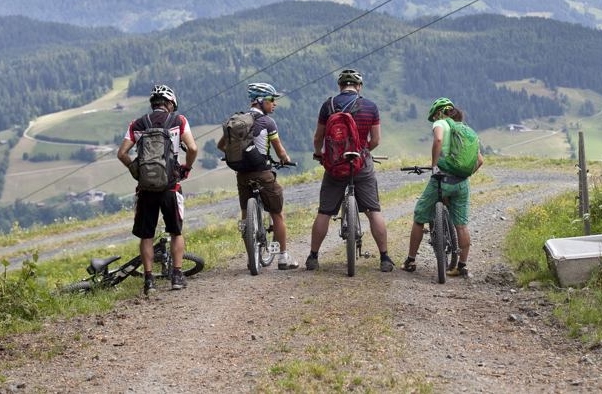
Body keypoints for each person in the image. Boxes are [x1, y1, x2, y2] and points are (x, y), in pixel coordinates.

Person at [306, 68, 394, 272]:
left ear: (340, 86)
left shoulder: (328, 106)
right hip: (360, 163)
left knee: (325, 212)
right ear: (359, 87)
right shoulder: (370, 107)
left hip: (335, 165)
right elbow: (376, 140)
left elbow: (318, 138)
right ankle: (384, 258)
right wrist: (363, 151)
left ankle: (313, 256)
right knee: (374, 211)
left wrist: (320, 154)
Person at [117, 84, 198, 294]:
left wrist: (137, 171)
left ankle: (149, 280)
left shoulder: (137, 124)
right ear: (170, 104)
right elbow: (193, 148)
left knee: (147, 235)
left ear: (153, 104)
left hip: (145, 189)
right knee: (176, 231)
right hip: (171, 186)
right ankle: (177, 276)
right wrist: (185, 168)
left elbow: (122, 153)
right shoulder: (179, 121)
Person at [217, 82, 299, 270]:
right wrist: (286, 160)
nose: (274, 104)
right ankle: (283, 257)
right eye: (271, 100)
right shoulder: (268, 122)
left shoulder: (236, 121)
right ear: (260, 101)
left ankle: (250, 257)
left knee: (246, 218)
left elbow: (221, 146)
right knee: (277, 213)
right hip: (263, 174)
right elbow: (280, 151)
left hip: (243, 175)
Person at [402, 97, 484, 278]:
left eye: (434, 116)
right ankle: (462, 266)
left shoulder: (441, 123)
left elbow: (438, 140)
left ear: (439, 112)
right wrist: (463, 176)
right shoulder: (466, 130)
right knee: (461, 225)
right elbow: (480, 161)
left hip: (442, 180)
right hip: (462, 182)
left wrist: (434, 166)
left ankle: (411, 260)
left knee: (419, 216)